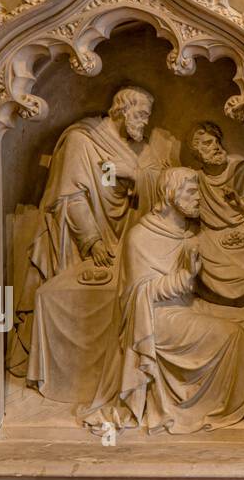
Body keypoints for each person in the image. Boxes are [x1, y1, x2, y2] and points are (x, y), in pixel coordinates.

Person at [82, 168, 244, 435]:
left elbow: (219, 274)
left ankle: (228, 395)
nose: (199, 198)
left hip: (187, 306)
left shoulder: (189, 233)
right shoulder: (140, 236)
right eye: (192, 192)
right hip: (156, 317)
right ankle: (240, 399)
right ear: (171, 194)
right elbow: (140, 293)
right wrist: (184, 277)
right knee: (233, 334)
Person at [15, 86, 164, 394]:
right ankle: (77, 379)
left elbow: (164, 187)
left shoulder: (138, 148)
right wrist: (93, 242)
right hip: (83, 244)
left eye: (148, 116)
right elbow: (70, 199)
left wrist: (137, 176)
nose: (145, 123)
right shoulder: (81, 141)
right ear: (122, 111)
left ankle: (123, 378)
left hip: (126, 243)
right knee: (63, 296)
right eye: (141, 115)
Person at [188, 121, 244, 231]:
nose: (216, 147)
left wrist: (242, 203)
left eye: (217, 141)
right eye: (208, 143)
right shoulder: (196, 180)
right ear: (195, 150)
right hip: (213, 238)